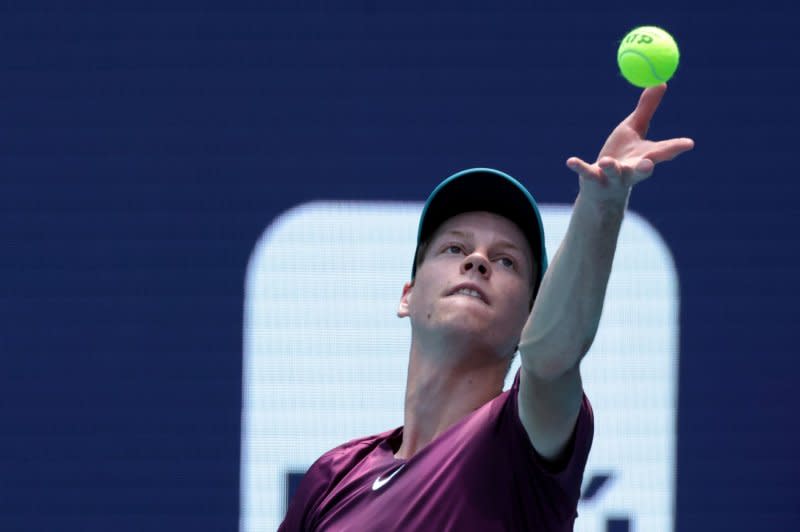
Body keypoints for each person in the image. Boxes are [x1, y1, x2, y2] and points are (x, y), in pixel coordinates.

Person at [279, 84, 694, 531]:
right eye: (454, 248)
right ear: (408, 295)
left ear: (529, 319)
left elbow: (551, 357)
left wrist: (602, 204)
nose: (476, 261)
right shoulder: (333, 477)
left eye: (506, 261)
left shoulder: (519, 444)